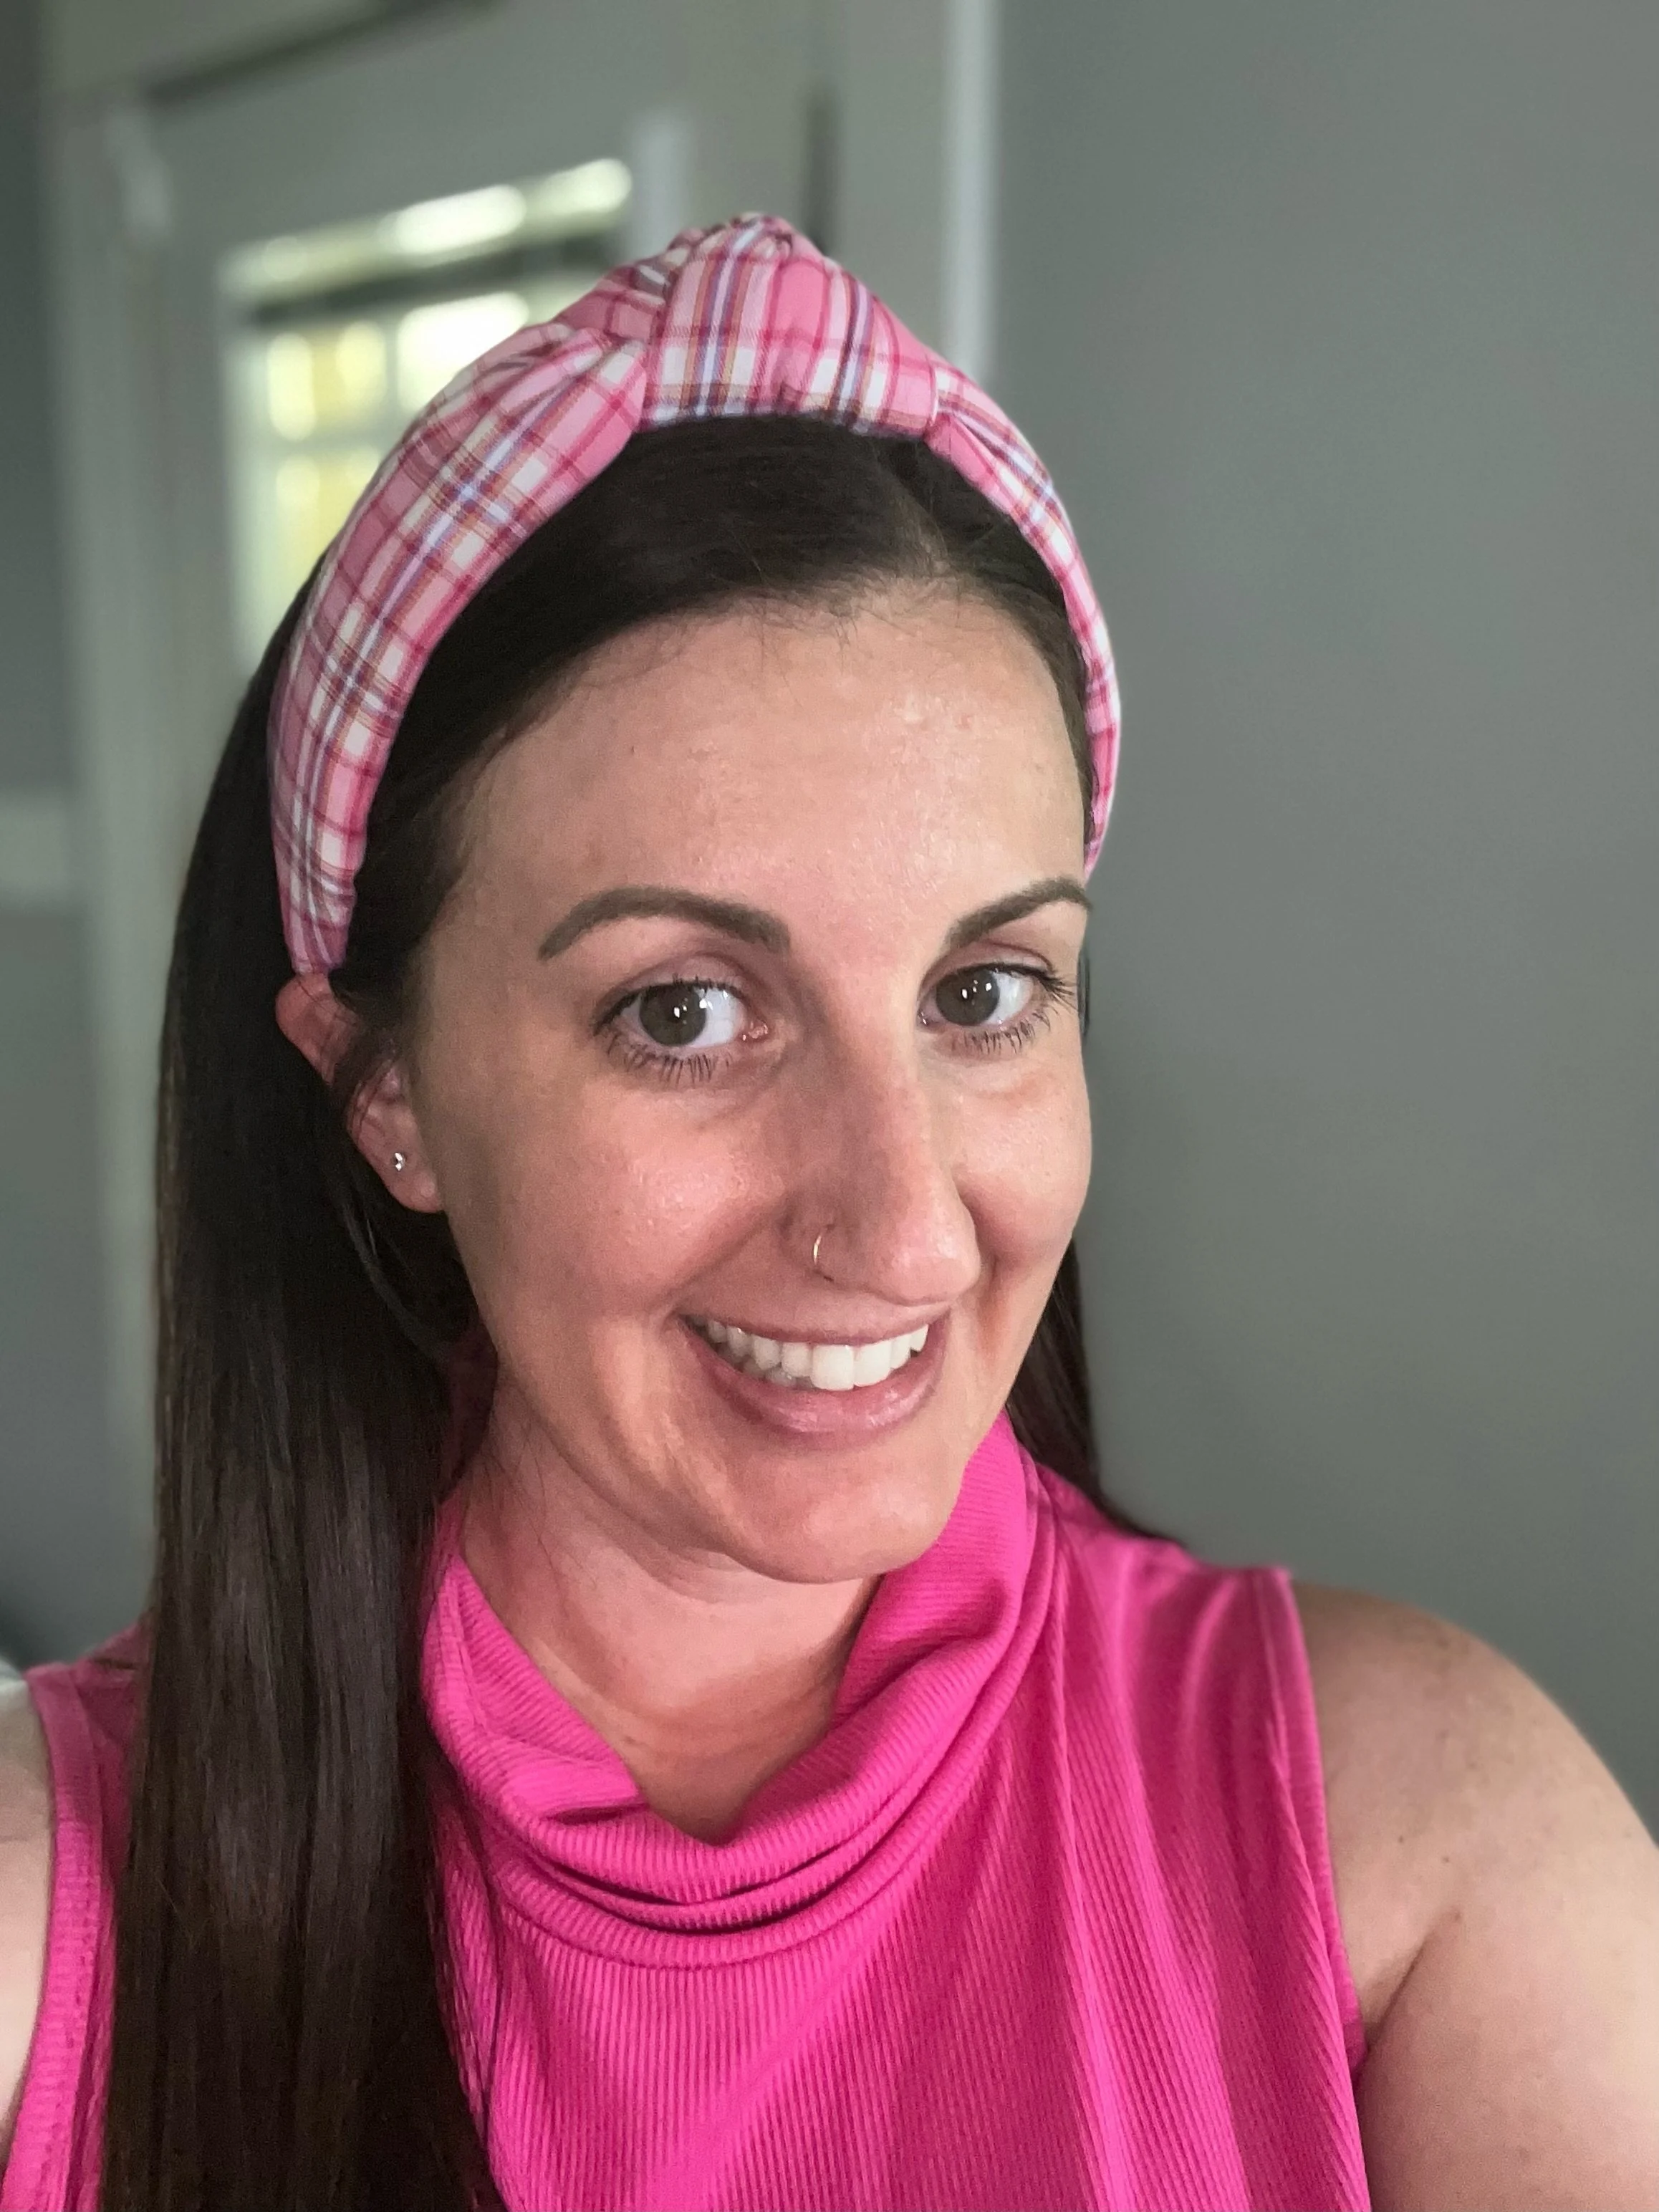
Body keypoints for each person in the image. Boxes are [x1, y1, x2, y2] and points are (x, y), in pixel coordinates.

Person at [1, 214, 1655, 2212]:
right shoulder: (45, 1923)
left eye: (984, 993)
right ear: (385, 1090)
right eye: (683, 1014)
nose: (905, 1232)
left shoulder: (1426, 1846)